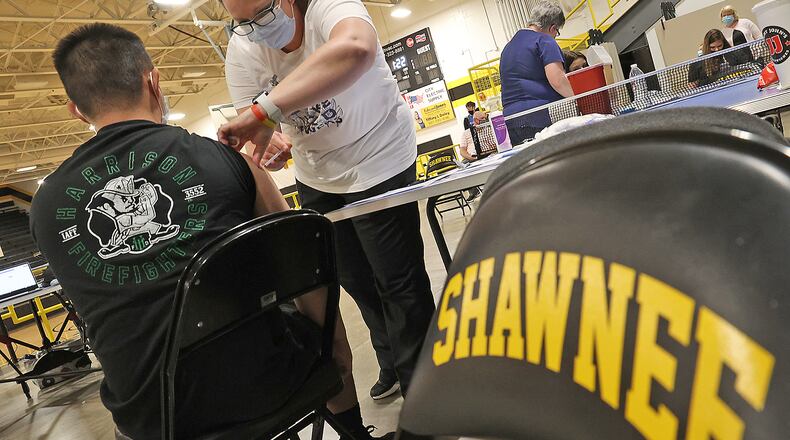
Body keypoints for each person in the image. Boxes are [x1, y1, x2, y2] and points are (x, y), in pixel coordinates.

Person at [31, 23, 386, 440]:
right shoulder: (232, 162)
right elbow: (306, 267)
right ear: (154, 82)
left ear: (76, 109)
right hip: (269, 384)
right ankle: (353, 433)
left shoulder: (45, 208)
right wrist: (336, 357)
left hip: (154, 419)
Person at [218, 0, 436, 401]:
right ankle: (392, 359)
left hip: (380, 152)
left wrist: (263, 110)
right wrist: (271, 140)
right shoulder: (243, 46)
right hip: (318, 170)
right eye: (243, 22)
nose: (255, 28)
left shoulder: (327, 6)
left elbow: (356, 47)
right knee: (352, 276)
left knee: (397, 277)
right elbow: (255, 123)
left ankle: (422, 386)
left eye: (262, 15)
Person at [500, 1, 574, 146]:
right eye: (557, 32)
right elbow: (558, 80)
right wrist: (581, 97)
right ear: (553, 28)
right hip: (539, 119)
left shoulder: (507, 48)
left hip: (511, 122)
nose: (555, 36)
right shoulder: (544, 40)